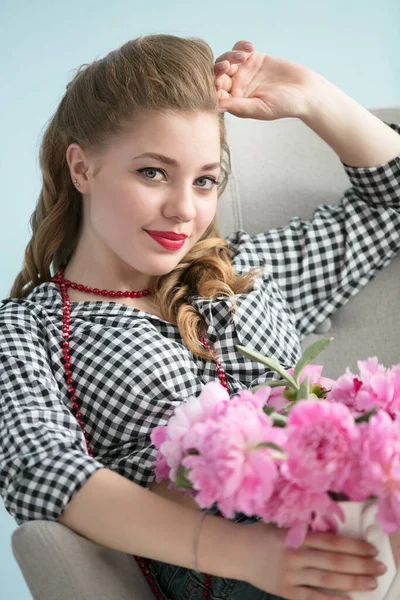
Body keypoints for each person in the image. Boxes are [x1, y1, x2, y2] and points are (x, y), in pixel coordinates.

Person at [1, 33, 399, 600]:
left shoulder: (246, 271)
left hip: (345, 514)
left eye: (205, 179)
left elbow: (391, 203)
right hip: (231, 568)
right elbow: (41, 471)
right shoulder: (26, 329)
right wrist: (245, 555)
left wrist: (312, 98)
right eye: (153, 173)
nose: (184, 209)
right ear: (82, 168)